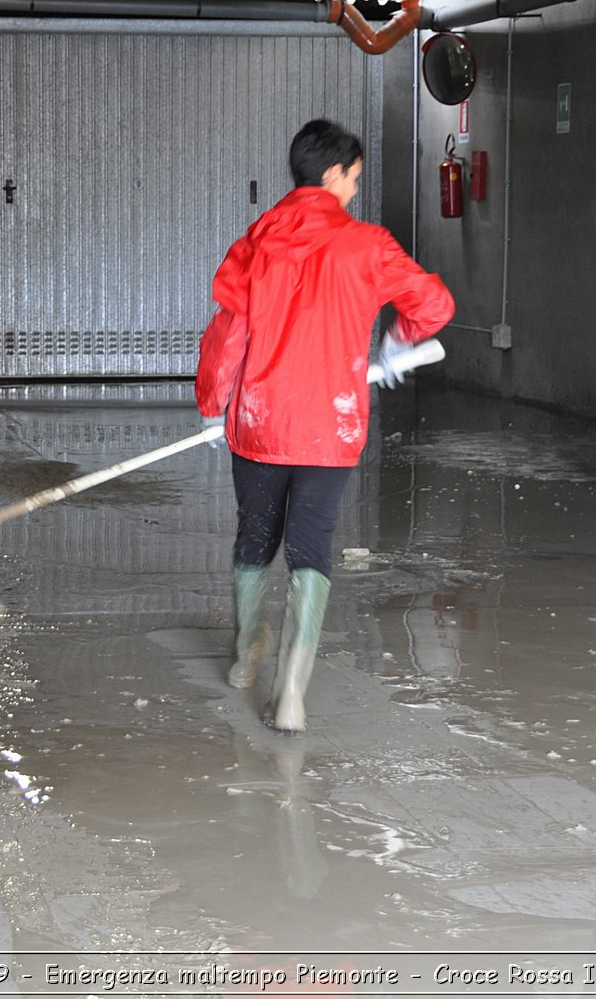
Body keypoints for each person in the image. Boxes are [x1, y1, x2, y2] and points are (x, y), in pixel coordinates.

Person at [195, 119, 456, 734]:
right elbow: (434, 305)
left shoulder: (257, 240)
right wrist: (396, 343)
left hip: (259, 420)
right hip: (330, 425)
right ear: (333, 173)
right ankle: (290, 695)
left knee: (255, 536)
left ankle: (243, 656)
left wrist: (213, 404)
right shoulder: (367, 245)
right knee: (312, 546)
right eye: (354, 179)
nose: (354, 192)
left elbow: (229, 333)